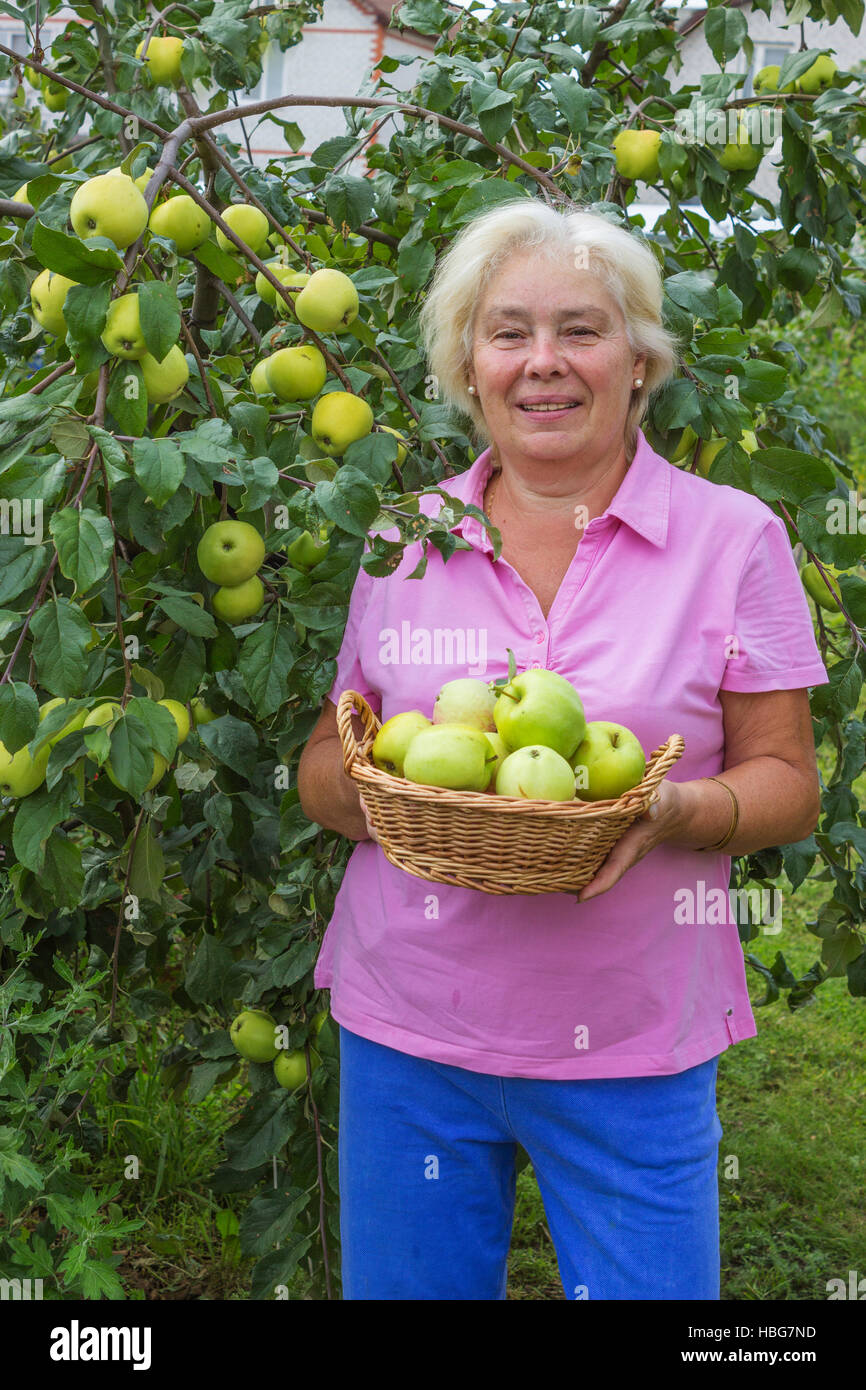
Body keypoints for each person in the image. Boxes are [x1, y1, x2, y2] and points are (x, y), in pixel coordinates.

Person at [297, 199, 828, 1301]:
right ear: (466, 365)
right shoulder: (407, 537)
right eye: (507, 333)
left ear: (638, 360)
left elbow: (784, 784)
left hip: (632, 1041)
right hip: (411, 1027)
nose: (543, 363)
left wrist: (674, 809)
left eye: (580, 329)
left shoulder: (731, 539)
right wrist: (385, 791)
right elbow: (326, 764)